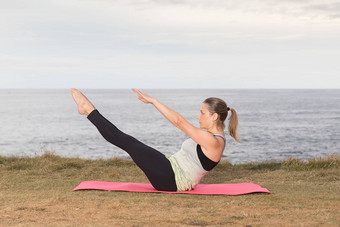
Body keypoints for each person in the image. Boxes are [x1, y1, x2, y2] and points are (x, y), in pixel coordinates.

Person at [71, 88, 241, 192]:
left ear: (214, 116)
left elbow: (179, 122)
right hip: (170, 170)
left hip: (172, 180)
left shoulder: (213, 141)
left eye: (202, 113)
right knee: (130, 143)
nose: (198, 116)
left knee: (128, 142)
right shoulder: (212, 138)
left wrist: (153, 101)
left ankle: (88, 110)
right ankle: (88, 111)